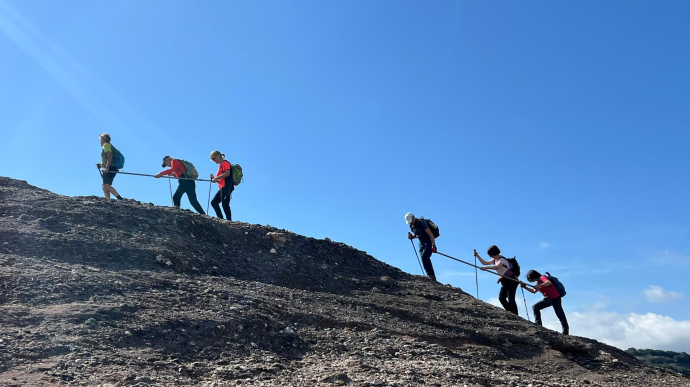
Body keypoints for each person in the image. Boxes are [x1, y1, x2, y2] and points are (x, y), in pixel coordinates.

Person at [521, 270, 569, 335]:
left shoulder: (542, 277)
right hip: (549, 298)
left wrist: (539, 285)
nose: (530, 280)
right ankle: (538, 324)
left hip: (555, 297)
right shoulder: (538, 282)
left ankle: (565, 331)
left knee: (559, 313)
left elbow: (548, 282)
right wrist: (525, 287)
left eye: (530, 278)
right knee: (535, 307)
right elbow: (534, 291)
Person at [474, 246, 519, 315]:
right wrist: (477, 256)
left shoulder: (502, 259)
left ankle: (515, 313)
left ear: (493, 253)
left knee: (511, 298)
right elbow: (485, 263)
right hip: (505, 280)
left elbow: (497, 267)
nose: (490, 256)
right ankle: (510, 312)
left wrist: (486, 268)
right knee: (501, 298)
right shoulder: (495, 260)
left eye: (490, 255)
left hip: (512, 280)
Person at [405, 212, 437, 281]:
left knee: (425, 256)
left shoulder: (422, 223)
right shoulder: (412, 225)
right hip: (421, 243)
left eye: (411, 221)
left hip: (428, 242)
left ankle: (431, 275)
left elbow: (430, 234)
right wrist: (412, 237)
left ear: (413, 217)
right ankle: (429, 274)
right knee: (423, 257)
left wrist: (433, 246)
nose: (411, 223)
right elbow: (417, 234)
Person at [96, 133, 125, 200]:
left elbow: (110, 155)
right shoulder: (108, 146)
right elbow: (108, 158)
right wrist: (101, 165)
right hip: (111, 167)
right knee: (104, 186)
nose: (100, 141)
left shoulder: (106, 145)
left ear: (103, 139)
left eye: (100, 139)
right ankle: (107, 200)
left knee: (106, 185)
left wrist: (107, 167)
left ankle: (120, 198)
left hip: (110, 168)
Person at [209, 151, 233, 220]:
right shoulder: (221, 165)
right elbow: (221, 178)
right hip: (224, 187)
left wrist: (216, 178)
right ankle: (224, 219)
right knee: (219, 203)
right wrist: (214, 179)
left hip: (226, 186)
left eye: (214, 158)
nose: (214, 161)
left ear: (218, 156)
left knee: (221, 203)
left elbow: (227, 173)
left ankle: (226, 220)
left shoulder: (225, 163)